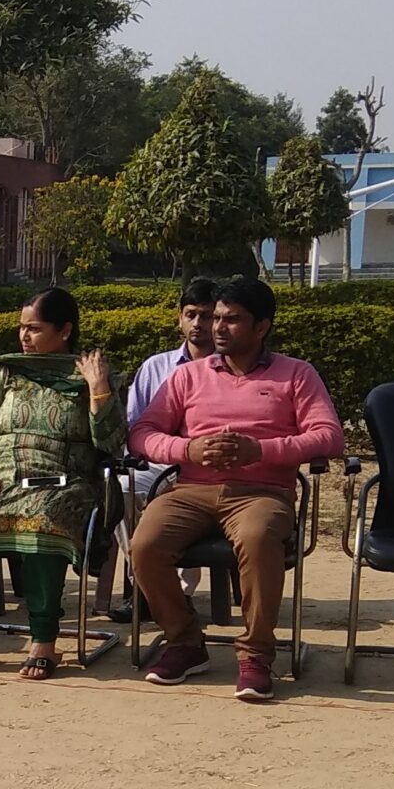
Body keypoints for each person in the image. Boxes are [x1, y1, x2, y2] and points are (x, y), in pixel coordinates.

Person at [128, 275, 345, 704]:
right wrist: (188, 449)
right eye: (217, 318)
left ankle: (257, 654)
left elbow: (329, 437)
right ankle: (185, 642)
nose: (218, 328)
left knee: (258, 537)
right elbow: (142, 434)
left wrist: (259, 450)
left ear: (262, 326)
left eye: (232, 320)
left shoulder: (296, 374)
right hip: (191, 488)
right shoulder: (188, 376)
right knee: (145, 544)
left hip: (262, 492)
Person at [0, 288, 121, 681]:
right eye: (21, 327)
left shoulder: (88, 375)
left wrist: (98, 389)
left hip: (62, 481)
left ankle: (43, 641)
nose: (24, 335)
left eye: (34, 328)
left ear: (64, 330)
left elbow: (110, 443)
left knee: (41, 521)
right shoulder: (5, 371)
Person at [104, 276, 221, 622]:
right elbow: (134, 427)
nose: (197, 323)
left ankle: (178, 594)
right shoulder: (155, 367)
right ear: (179, 319)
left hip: (207, 470)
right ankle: (147, 587)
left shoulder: (231, 369)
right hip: (156, 464)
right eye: (190, 314)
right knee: (122, 488)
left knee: (186, 497)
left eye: (206, 315)